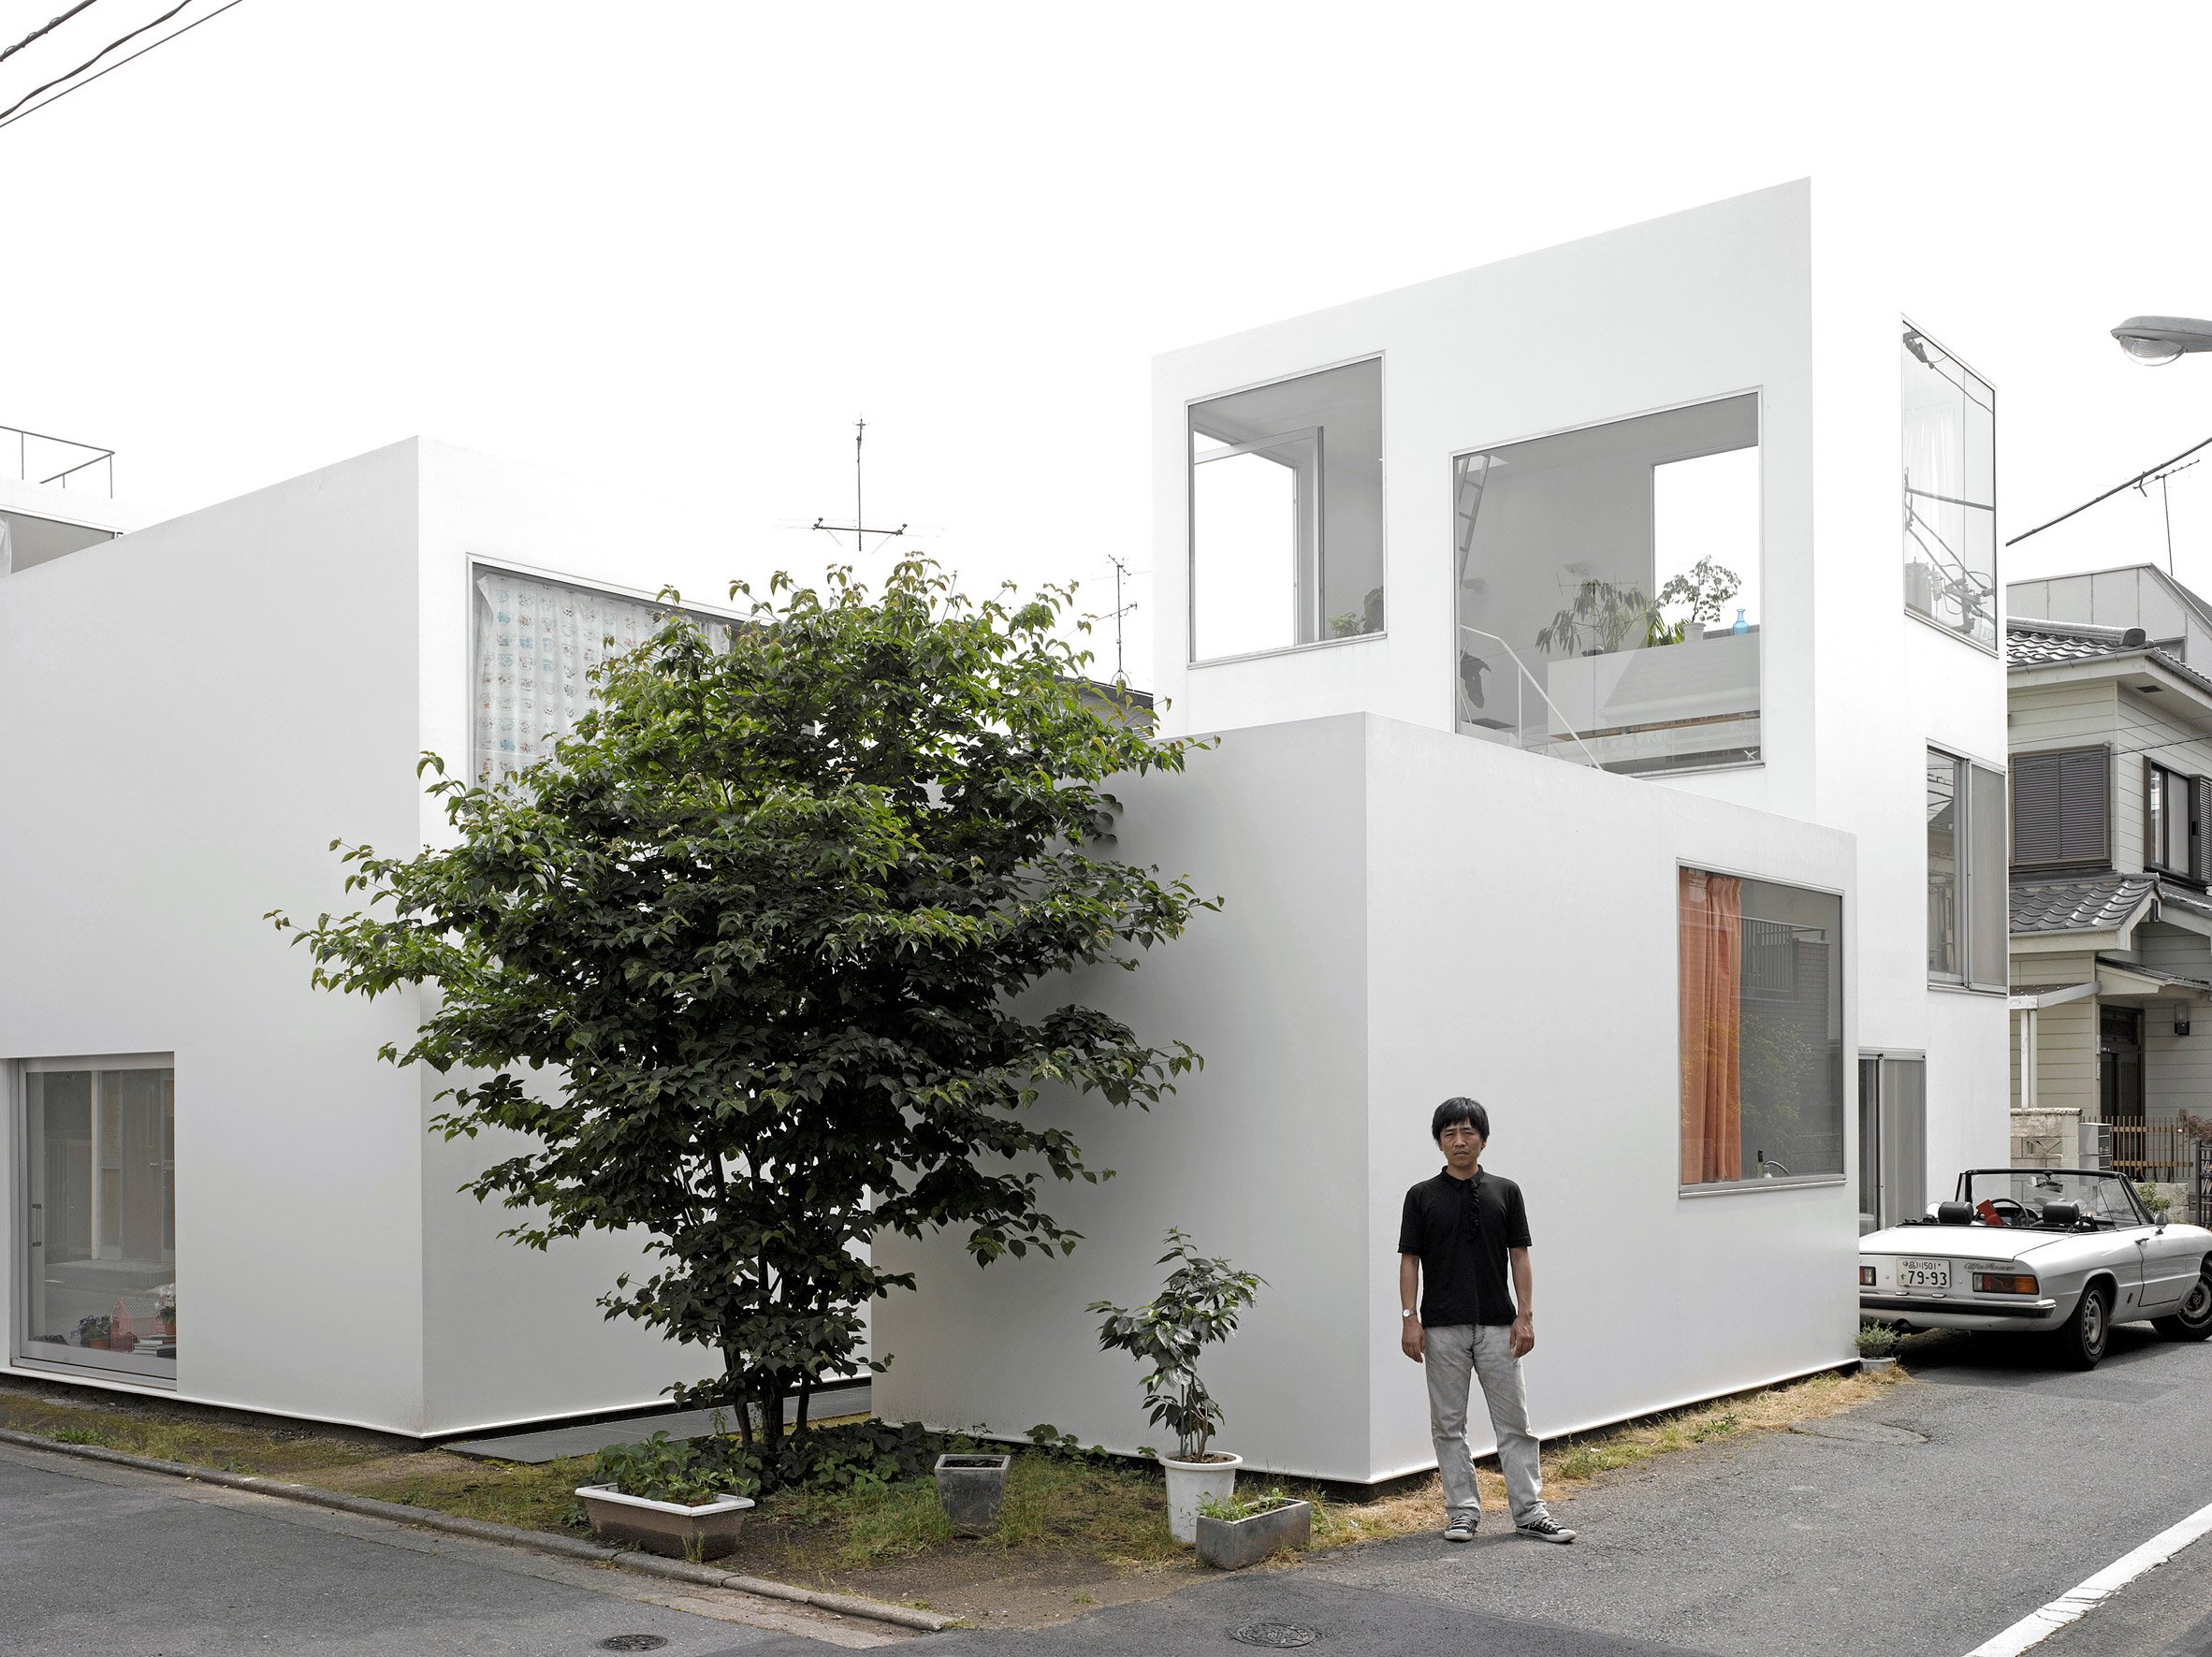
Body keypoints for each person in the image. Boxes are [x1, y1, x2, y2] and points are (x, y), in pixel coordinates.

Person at [1397, 1096, 1574, 1544]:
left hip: (1499, 1326)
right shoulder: (1420, 1196)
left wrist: (1526, 1316)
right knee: (1449, 1426)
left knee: (1515, 1423)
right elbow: (1409, 1261)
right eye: (1450, 1133)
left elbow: (1520, 1256)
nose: (1459, 1141)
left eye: (1468, 1132)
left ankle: (1531, 1512)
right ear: (1439, 1142)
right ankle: (1462, 1513)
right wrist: (1409, 1318)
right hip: (1441, 1329)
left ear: (1483, 1139)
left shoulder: (1506, 1191)